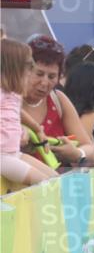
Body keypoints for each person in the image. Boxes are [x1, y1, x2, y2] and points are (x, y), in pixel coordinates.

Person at [20, 35, 93, 169]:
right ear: (24, 70)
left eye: (52, 76)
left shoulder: (58, 100)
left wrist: (77, 153)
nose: (44, 83)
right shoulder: (7, 100)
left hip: (54, 186)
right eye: (39, 74)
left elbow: (88, 146)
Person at [1, 38, 58, 185]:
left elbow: (18, 112)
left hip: (14, 153)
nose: (29, 72)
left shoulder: (13, 93)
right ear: (13, 69)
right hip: (3, 157)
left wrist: (36, 128)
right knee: (45, 184)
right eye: (27, 69)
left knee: (56, 179)